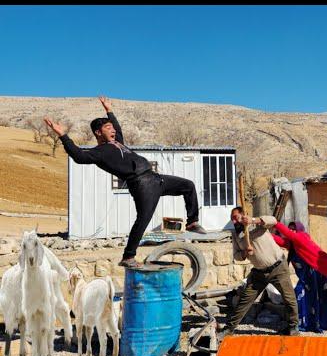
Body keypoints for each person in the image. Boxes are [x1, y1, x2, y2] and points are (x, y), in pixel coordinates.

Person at [44, 96, 207, 268]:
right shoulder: (100, 152)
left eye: (112, 127)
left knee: (188, 186)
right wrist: (63, 135)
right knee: (143, 219)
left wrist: (109, 110)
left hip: (155, 178)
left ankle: (192, 222)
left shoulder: (118, 143)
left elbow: (118, 128)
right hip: (142, 184)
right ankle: (128, 257)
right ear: (98, 132)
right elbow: (78, 156)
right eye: (108, 128)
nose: (113, 130)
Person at [219, 207, 299, 338]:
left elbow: (273, 220)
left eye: (236, 217)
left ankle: (293, 327)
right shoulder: (236, 234)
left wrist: (253, 220)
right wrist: (245, 252)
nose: (234, 221)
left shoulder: (258, 225)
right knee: (245, 300)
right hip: (259, 273)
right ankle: (229, 329)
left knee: (289, 298)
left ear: (244, 215)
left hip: (278, 267)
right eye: (232, 218)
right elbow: (237, 256)